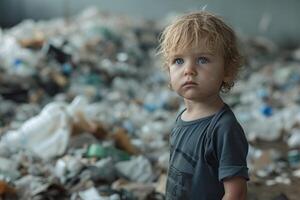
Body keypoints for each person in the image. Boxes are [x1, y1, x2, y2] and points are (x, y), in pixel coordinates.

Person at [158, 11, 249, 200]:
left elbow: (236, 193)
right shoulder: (182, 118)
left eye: (202, 60)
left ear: (227, 70)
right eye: (178, 61)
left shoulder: (223, 128)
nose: (189, 70)